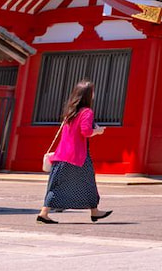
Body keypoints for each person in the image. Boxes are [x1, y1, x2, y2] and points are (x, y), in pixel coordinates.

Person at [37, 79, 111, 224]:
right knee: (88, 183)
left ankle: (45, 213)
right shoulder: (87, 112)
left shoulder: (70, 112)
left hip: (62, 155)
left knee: (57, 184)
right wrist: (98, 131)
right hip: (78, 156)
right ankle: (93, 211)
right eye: (93, 92)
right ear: (88, 95)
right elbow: (86, 132)